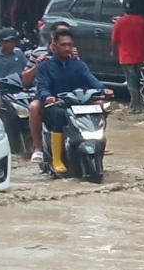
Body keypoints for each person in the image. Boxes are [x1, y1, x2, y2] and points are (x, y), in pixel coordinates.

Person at [36, 29, 110, 174]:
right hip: (57, 106)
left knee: (100, 110)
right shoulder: (45, 67)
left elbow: (92, 81)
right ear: (54, 46)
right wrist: (48, 97)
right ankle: (57, 159)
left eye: (70, 45)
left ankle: (99, 151)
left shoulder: (79, 65)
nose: (67, 48)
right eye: (63, 45)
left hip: (79, 105)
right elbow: (42, 87)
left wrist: (104, 90)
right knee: (59, 115)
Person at [27, 21, 76, 163]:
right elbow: (25, 79)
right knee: (34, 107)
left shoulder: (71, 51)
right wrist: (37, 65)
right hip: (45, 94)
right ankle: (39, 148)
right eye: (60, 34)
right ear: (53, 36)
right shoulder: (38, 53)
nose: (66, 45)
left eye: (67, 35)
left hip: (70, 93)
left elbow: (82, 75)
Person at [110, 0, 144, 113]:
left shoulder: (119, 22)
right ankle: (135, 104)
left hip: (126, 56)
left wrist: (113, 52)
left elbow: (114, 40)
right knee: (137, 79)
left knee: (131, 81)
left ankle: (136, 106)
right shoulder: (142, 20)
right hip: (140, 54)